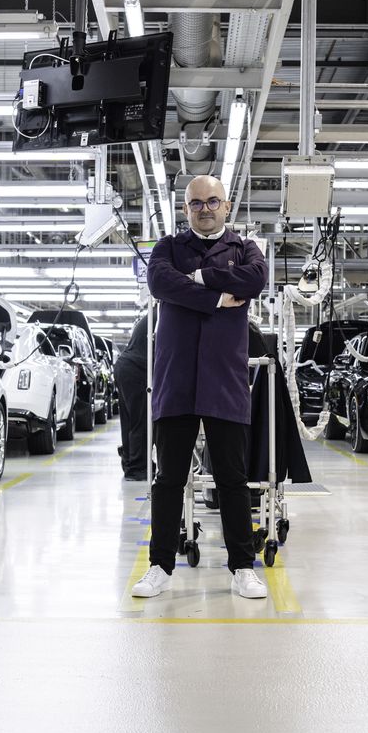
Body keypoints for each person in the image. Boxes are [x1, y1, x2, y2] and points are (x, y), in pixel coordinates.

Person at [131, 175, 270, 600]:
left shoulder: (246, 249)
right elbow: (160, 284)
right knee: (169, 478)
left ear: (227, 206)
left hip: (224, 379)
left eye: (213, 202)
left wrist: (196, 279)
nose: (204, 209)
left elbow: (254, 281)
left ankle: (243, 567)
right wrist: (214, 294)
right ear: (186, 208)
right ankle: (159, 566)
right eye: (196, 203)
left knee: (232, 478)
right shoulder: (167, 249)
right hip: (177, 380)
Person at [114, 314, 149, 481]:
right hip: (137, 370)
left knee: (129, 421)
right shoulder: (167, 314)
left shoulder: (155, 313)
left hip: (125, 367)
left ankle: (129, 462)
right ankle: (136, 468)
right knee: (140, 421)